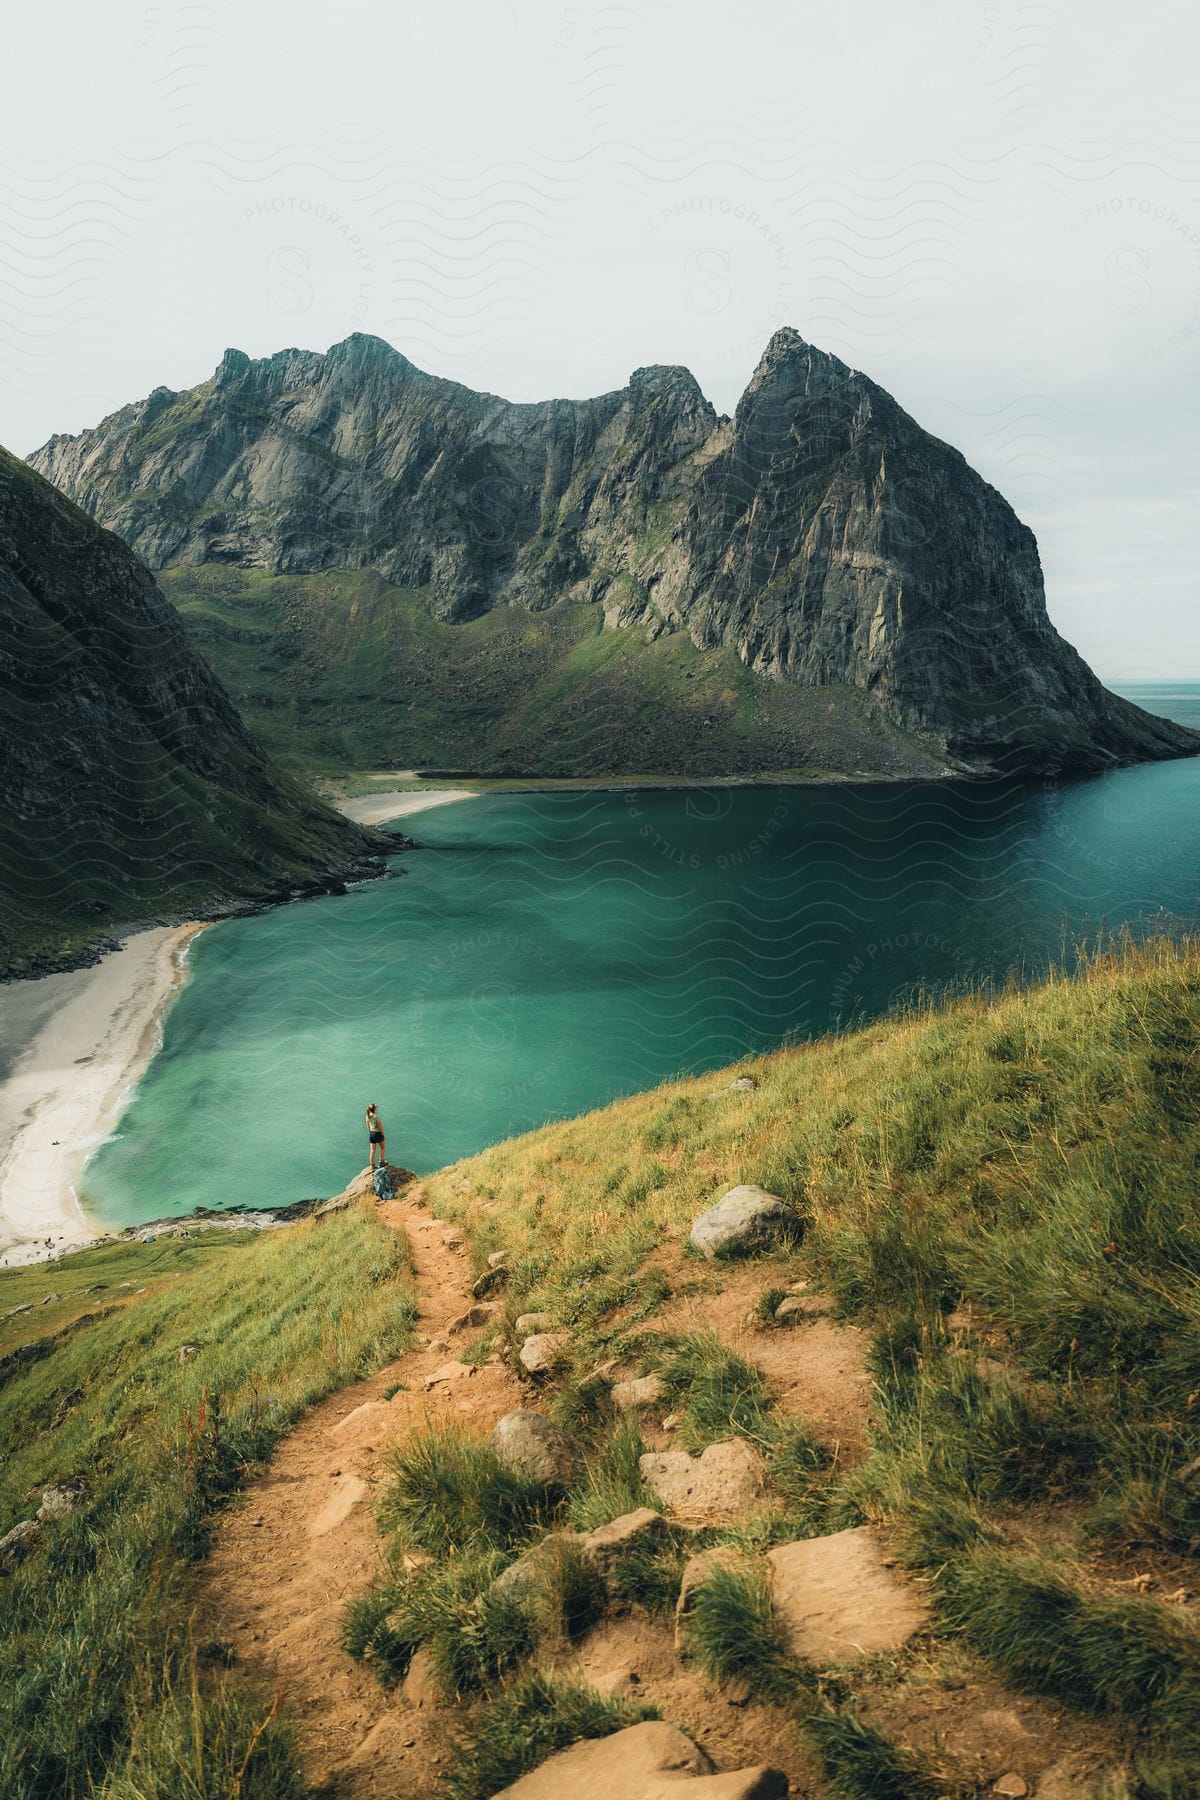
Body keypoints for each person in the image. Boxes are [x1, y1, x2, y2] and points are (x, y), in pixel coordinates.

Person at [365, 1103, 386, 1169]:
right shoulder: (376, 1117)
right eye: (376, 1107)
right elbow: (380, 1127)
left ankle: (372, 1165)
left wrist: (371, 1132)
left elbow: (368, 1126)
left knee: (372, 1150)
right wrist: (383, 1134)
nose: (377, 1108)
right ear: (374, 1109)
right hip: (378, 1134)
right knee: (382, 1148)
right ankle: (381, 1162)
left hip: (371, 1134)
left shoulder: (368, 1116)